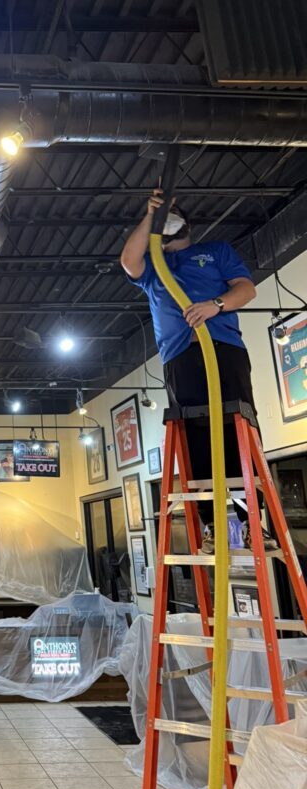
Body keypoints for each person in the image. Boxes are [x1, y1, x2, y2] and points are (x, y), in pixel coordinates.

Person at [121, 189, 276, 553]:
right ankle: (210, 526)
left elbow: (247, 289)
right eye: (163, 220)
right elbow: (129, 260)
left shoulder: (216, 251)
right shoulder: (156, 267)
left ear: (186, 224)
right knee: (196, 440)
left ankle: (251, 522)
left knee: (236, 432)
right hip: (179, 359)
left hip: (223, 350)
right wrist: (150, 217)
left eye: (171, 216)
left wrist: (215, 305)